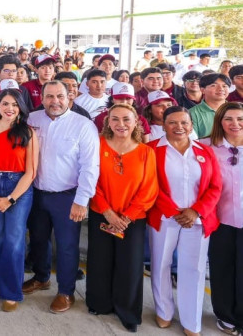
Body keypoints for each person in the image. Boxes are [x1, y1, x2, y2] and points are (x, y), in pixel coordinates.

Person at [24, 81, 99, 313]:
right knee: (38, 239)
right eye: (49, 96)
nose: (54, 101)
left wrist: (81, 200)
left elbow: (90, 166)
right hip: (37, 193)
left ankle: (66, 292)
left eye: (59, 96)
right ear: (42, 98)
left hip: (68, 197)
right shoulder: (33, 120)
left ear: (70, 97)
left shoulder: (83, 125)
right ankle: (41, 277)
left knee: (67, 246)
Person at [147, 106, 222, 335]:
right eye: (173, 123)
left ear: (191, 125)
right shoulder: (152, 150)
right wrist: (173, 211)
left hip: (197, 220)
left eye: (184, 123)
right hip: (165, 217)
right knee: (161, 265)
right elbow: (150, 184)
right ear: (164, 125)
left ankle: (192, 321)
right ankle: (164, 311)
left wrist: (196, 211)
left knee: (194, 270)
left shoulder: (205, 151)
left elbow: (215, 187)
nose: (179, 127)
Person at [86, 103, 158, 333]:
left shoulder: (146, 152)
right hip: (102, 214)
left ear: (136, 122)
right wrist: (107, 211)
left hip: (132, 220)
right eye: (115, 119)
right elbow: (91, 180)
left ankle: (127, 312)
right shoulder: (97, 145)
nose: (121, 124)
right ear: (107, 122)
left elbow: (149, 189)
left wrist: (126, 217)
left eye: (126, 119)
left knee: (130, 265)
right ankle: (99, 303)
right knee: (100, 260)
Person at [0, 88, 38, 312]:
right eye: (5, 104)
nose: (9, 108)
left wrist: (9, 199)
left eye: (14, 104)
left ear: (20, 107)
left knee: (14, 240)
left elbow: (31, 173)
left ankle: (12, 291)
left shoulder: (28, 133)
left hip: (18, 189)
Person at [201, 102, 243, 335]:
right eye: (229, 119)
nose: (235, 124)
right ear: (220, 122)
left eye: (240, 119)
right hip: (219, 220)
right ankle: (225, 315)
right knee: (222, 268)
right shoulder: (207, 146)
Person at [190, 73, 231, 138]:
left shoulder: (238, 110)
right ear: (202, 90)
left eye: (224, 86)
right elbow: (193, 141)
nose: (221, 89)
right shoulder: (192, 113)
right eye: (213, 85)